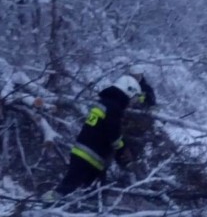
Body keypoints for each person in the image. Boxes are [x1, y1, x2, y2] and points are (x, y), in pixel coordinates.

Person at [42, 74, 142, 203]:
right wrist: (122, 149)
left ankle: (69, 209)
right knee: (70, 187)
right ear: (128, 92)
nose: (131, 103)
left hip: (83, 152)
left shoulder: (104, 103)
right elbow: (113, 134)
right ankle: (45, 204)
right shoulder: (114, 109)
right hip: (91, 156)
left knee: (83, 189)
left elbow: (102, 130)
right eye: (133, 99)